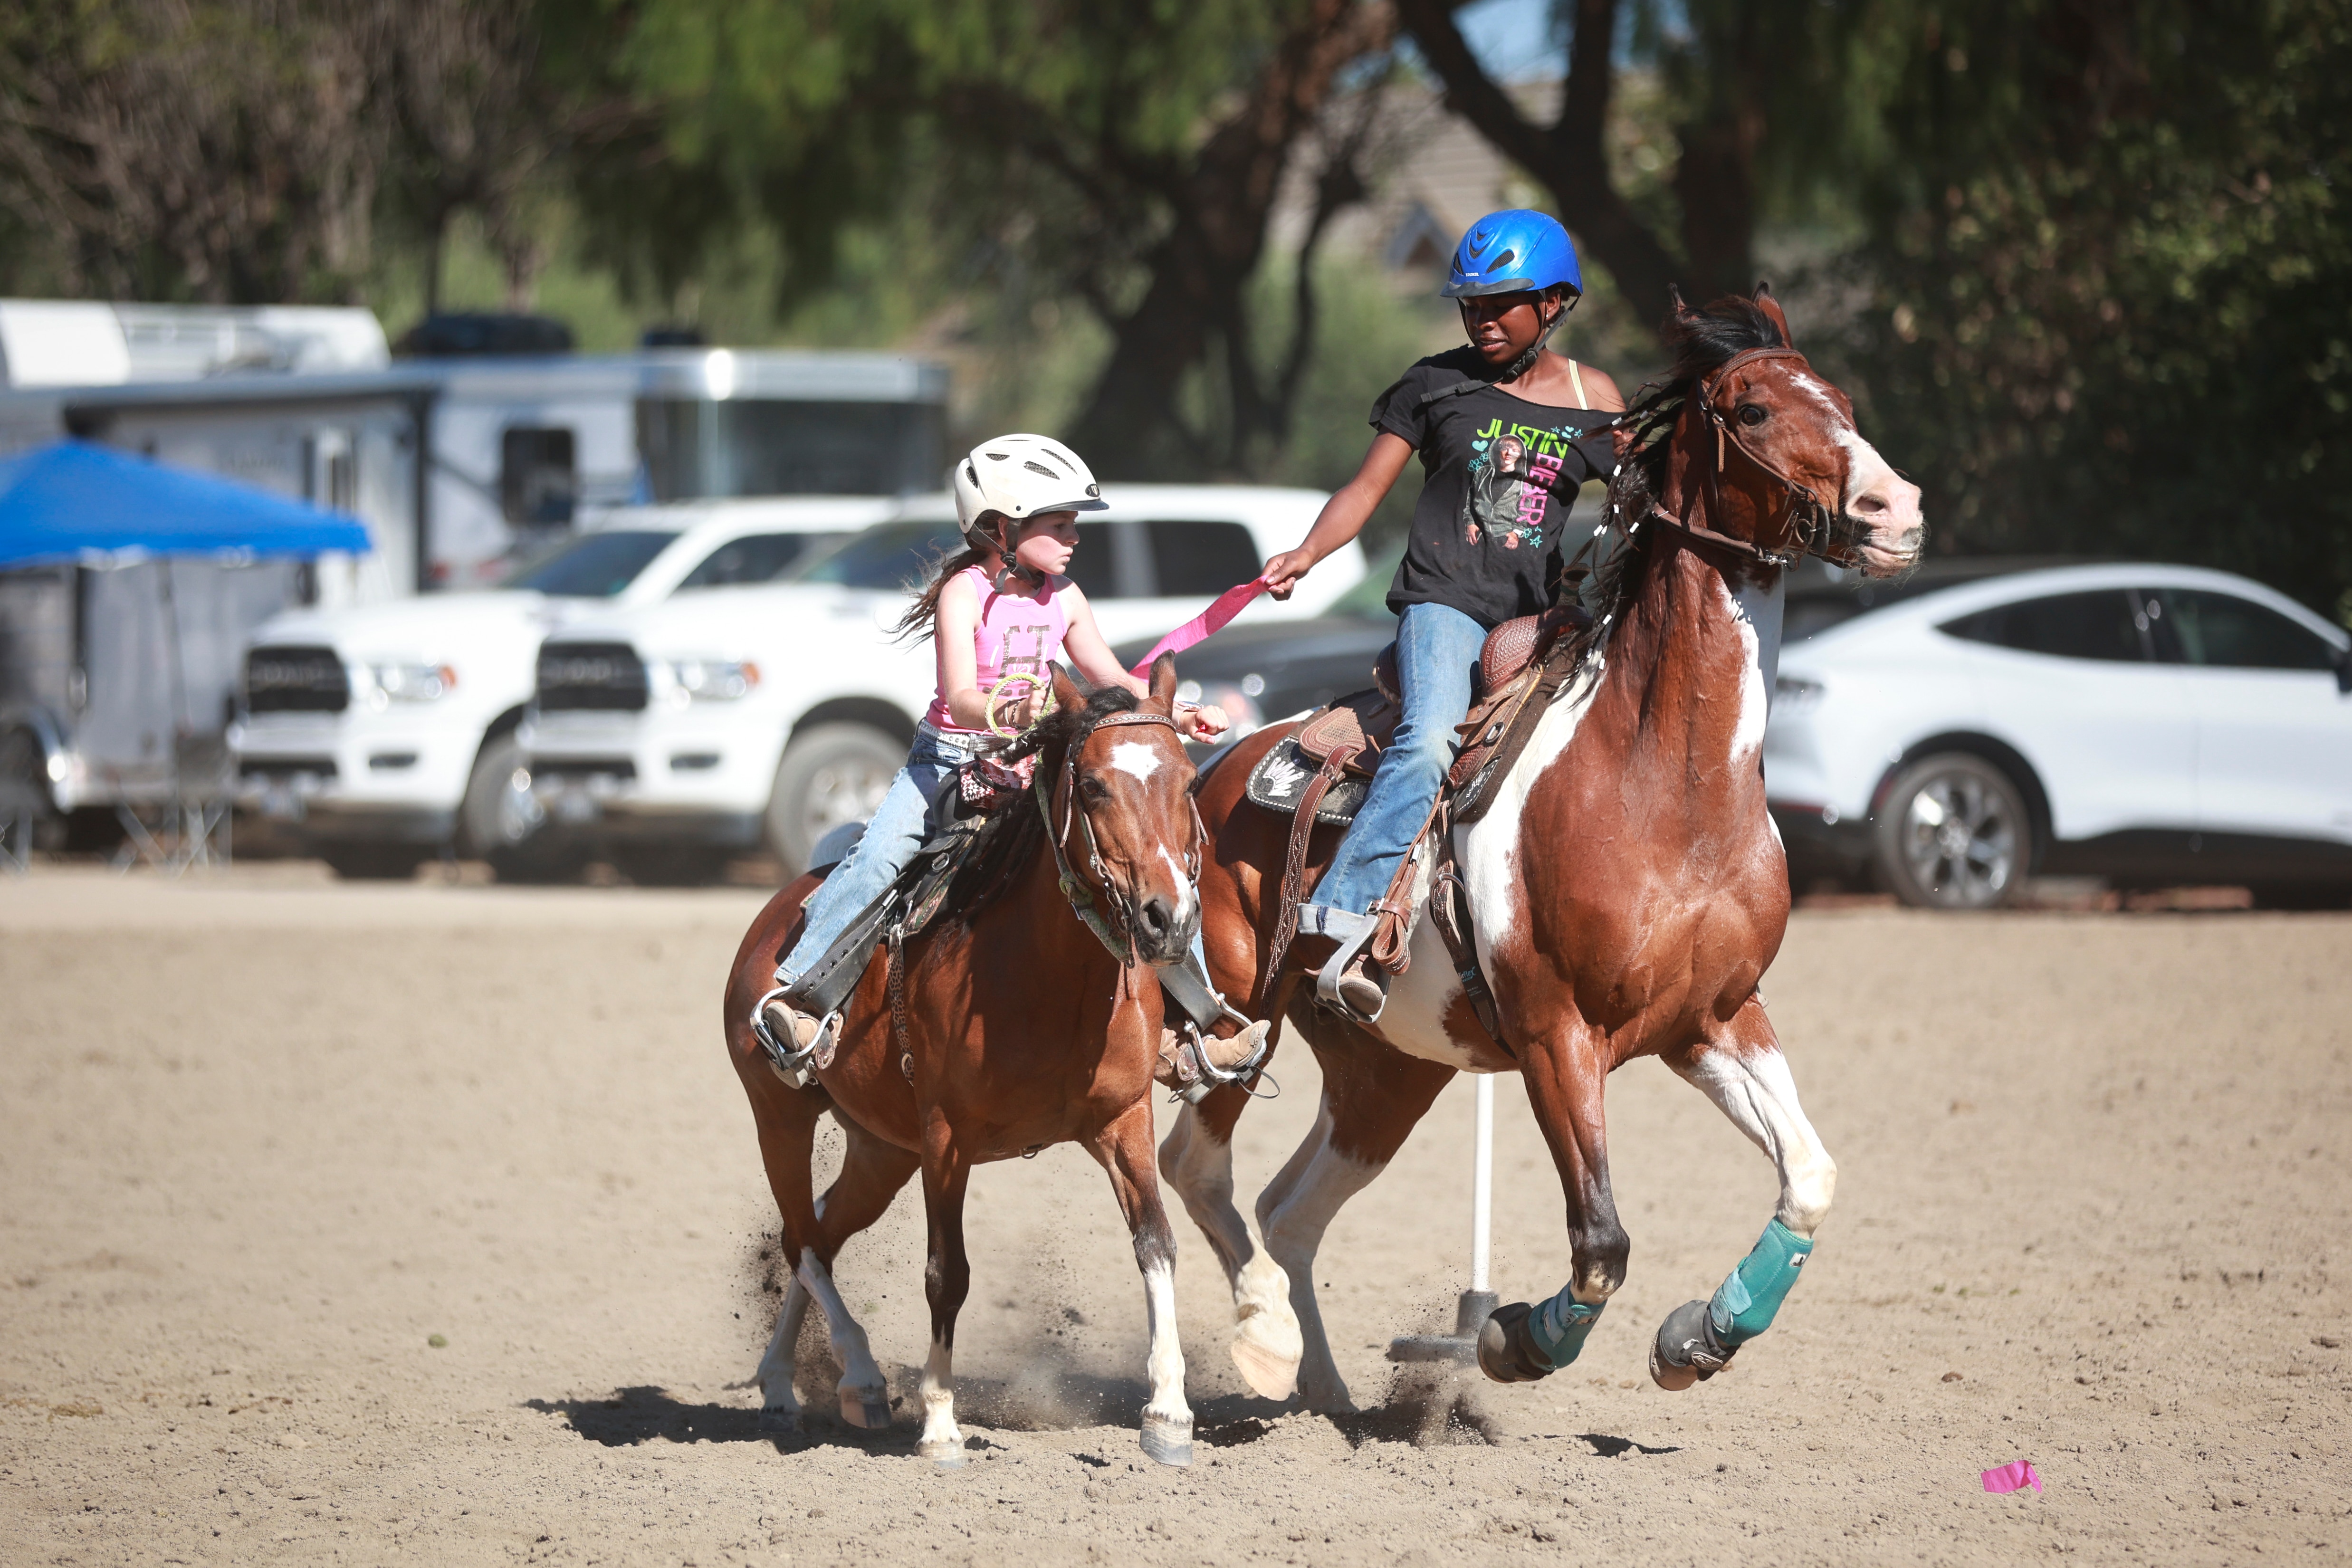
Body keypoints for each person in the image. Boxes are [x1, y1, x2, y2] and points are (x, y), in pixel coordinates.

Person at [760, 433, 1268, 1089]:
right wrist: (1018, 709)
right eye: (1059, 525)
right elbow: (962, 699)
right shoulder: (964, 594)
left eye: (1073, 524)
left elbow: (1115, 679)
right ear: (1002, 528)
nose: (1074, 537)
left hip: (1031, 771)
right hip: (946, 764)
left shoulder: (1066, 597)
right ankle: (802, 998)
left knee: (1158, 862)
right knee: (879, 860)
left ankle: (1199, 1025)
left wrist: (1178, 713)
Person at [1259, 210, 1626, 1021]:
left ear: (1554, 303)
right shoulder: (1433, 384)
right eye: (1471, 306)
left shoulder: (1592, 399)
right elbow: (1365, 489)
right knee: (1428, 740)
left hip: (1540, 626)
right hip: (1444, 606)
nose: (1481, 320)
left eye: (1500, 305)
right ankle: (1339, 920)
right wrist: (1307, 553)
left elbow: (1641, 502)